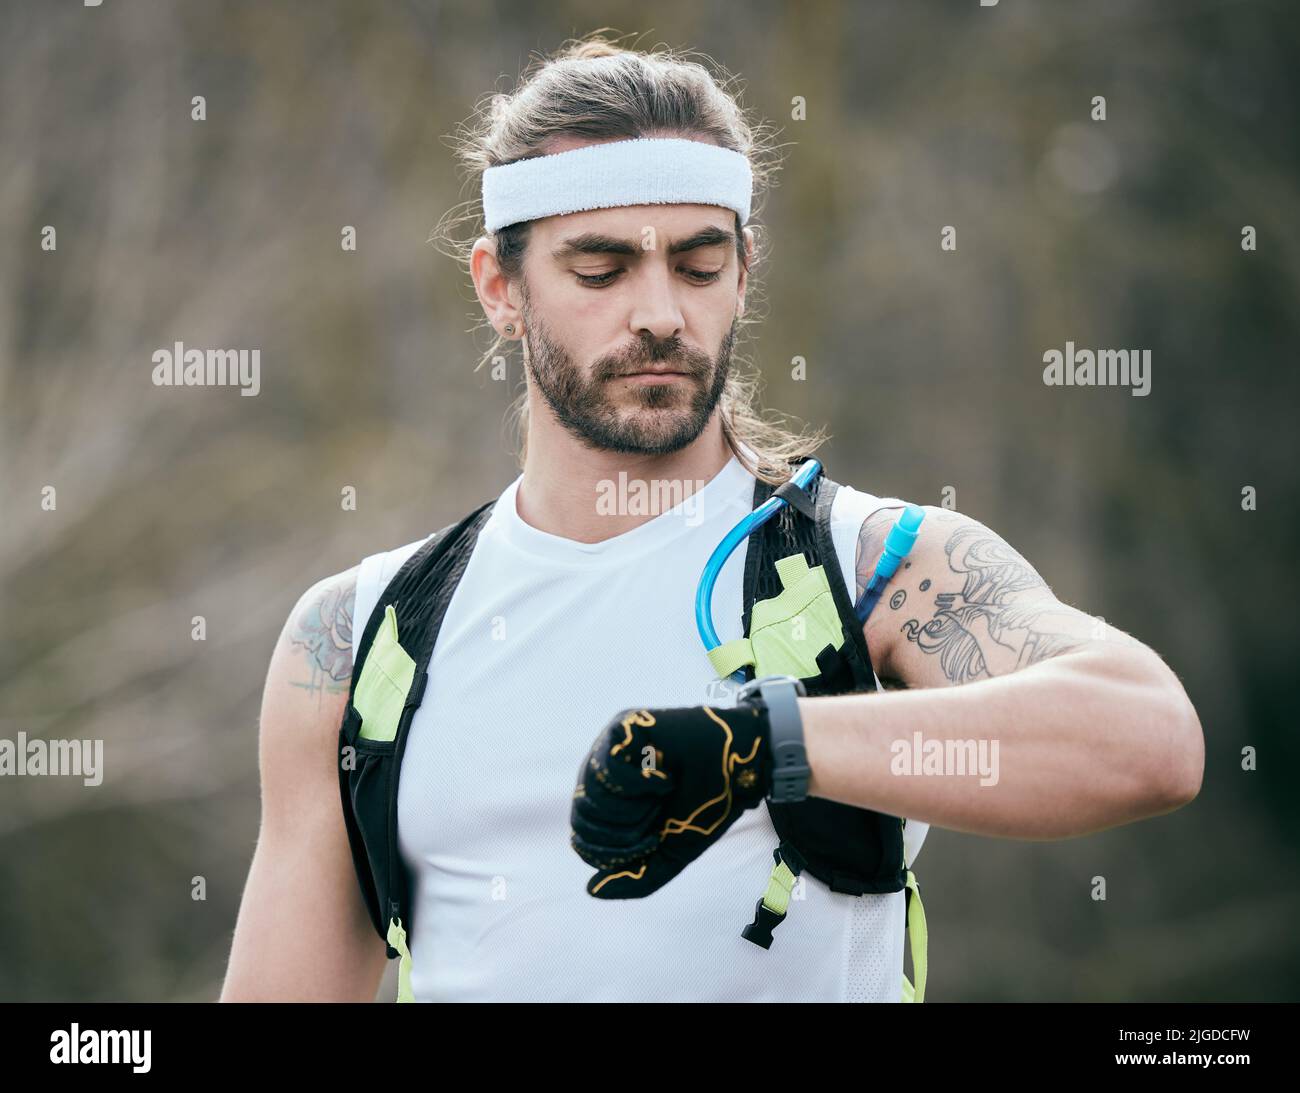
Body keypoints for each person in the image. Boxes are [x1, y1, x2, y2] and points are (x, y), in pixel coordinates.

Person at [220, 35, 1203, 1003]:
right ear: (498, 287)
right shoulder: (357, 641)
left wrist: (765, 749)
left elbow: (1149, 738)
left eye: (696, 265)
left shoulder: (868, 567)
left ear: (744, 272)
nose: (659, 313)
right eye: (600, 269)